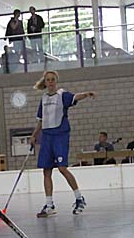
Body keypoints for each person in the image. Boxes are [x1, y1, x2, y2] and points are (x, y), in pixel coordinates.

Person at [29, 71, 95, 218]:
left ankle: (79, 198)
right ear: (45, 82)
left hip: (60, 135)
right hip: (47, 136)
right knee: (46, 171)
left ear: (56, 81)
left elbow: (75, 97)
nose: (50, 82)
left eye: (53, 79)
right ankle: (49, 205)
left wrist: (86, 94)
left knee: (62, 168)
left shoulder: (62, 95)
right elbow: (41, 120)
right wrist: (34, 135)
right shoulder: (43, 99)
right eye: (48, 80)